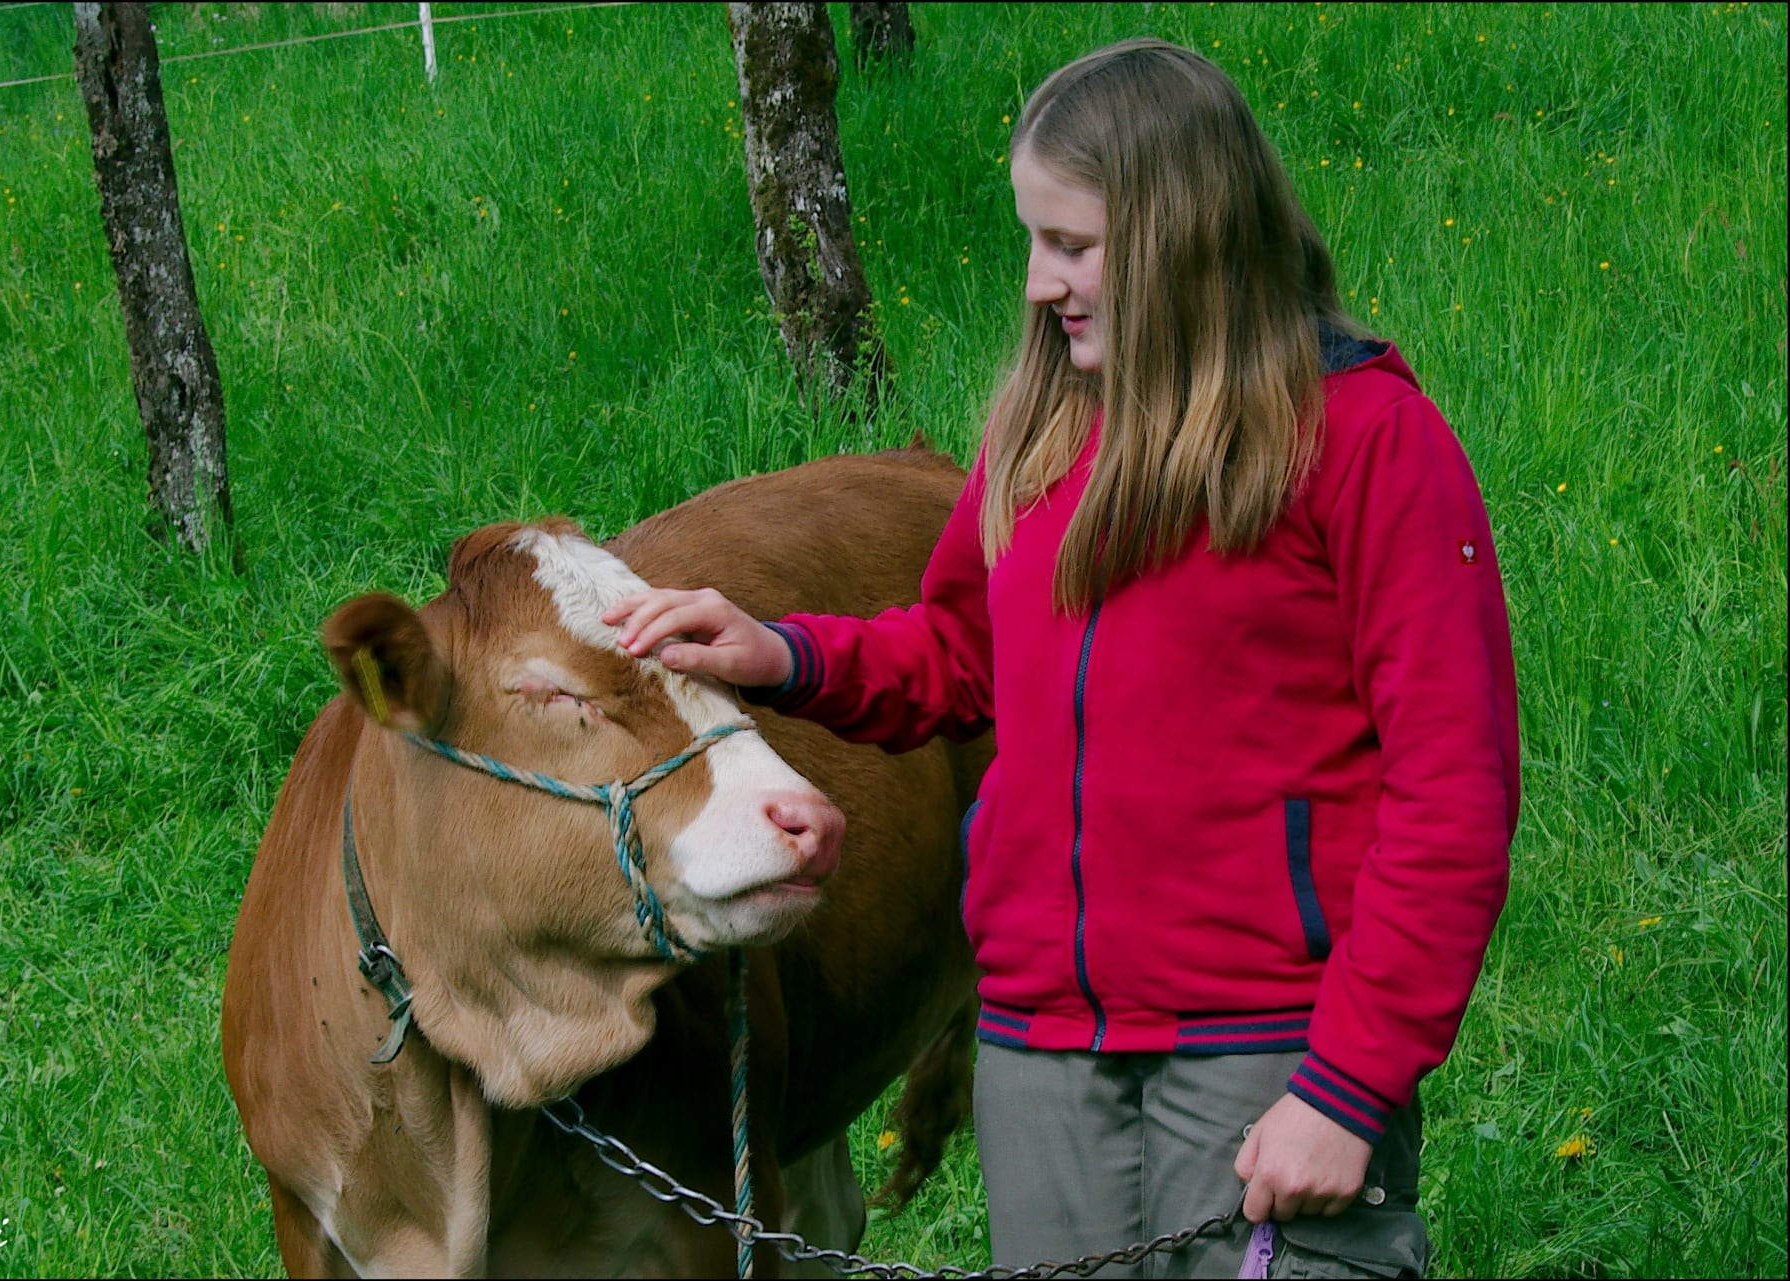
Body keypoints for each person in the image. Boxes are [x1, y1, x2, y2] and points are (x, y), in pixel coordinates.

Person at [605, 38, 1517, 1280]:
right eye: (1034, 241)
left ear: (1183, 233)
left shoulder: (1370, 443)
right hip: (1044, 1058)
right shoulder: (1042, 434)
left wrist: (1350, 1086)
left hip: (1266, 1052)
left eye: (1074, 246)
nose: (1041, 284)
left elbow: (1453, 795)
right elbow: (963, 654)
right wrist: (785, 656)